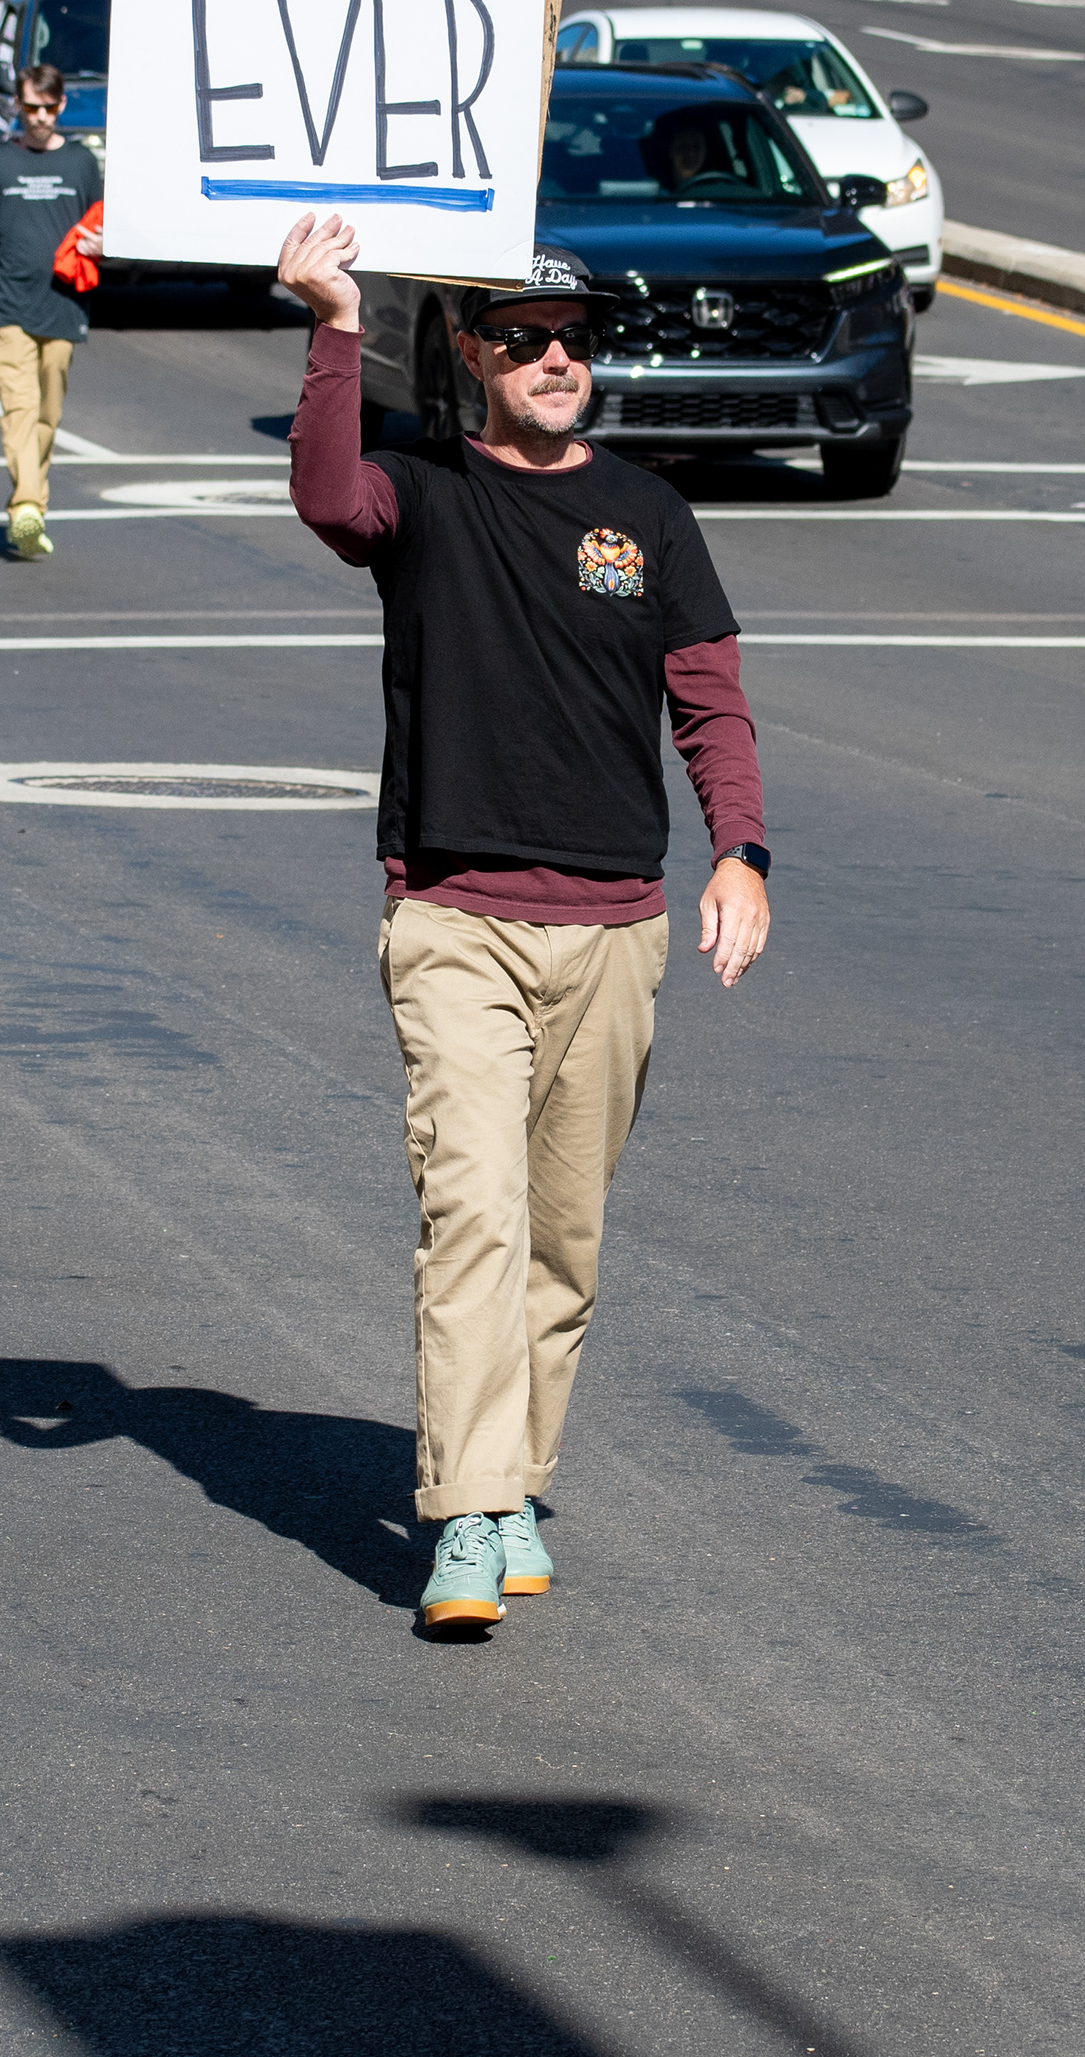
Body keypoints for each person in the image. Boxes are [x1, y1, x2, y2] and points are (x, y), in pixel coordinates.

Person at [276, 215, 771, 1635]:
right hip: (457, 920)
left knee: (564, 1241)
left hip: (616, 930)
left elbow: (711, 700)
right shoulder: (421, 492)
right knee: (475, 1218)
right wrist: (328, 324)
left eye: (577, 339)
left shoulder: (652, 518)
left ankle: (510, 1487)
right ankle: (463, 1520)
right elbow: (325, 498)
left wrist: (740, 849)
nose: (558, 360)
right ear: (474, 354)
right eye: (526, 339)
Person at [0, 61, 100, 556]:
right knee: (20, 408)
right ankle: (27, 507)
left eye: (47, 108)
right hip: (9, 305)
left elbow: (101, 225)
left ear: (61, 106)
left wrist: (104, 246)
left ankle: (31, 512)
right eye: (30, 107)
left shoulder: (81, 163)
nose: (38, 117)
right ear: (18, 106)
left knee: (48, 415)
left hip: (63, 305)